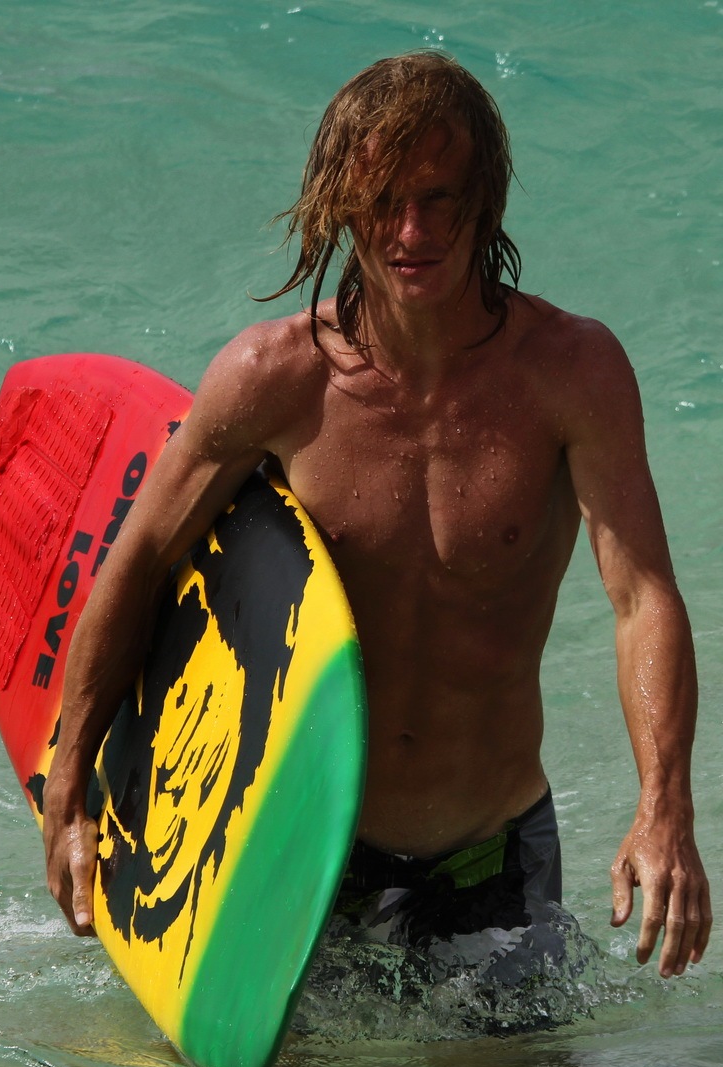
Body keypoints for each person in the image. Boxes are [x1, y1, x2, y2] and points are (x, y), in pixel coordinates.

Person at [43, 50, 711, 980]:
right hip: (302, 851)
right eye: (381, 200)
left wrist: (664, 809)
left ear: (486, 201)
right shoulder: (276, 378)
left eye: (438, 199)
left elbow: (643, 597)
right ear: (337, 206)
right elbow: (143, 559)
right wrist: (70, 788)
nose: (410, 231)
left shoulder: (572, 373)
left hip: (493, 854)